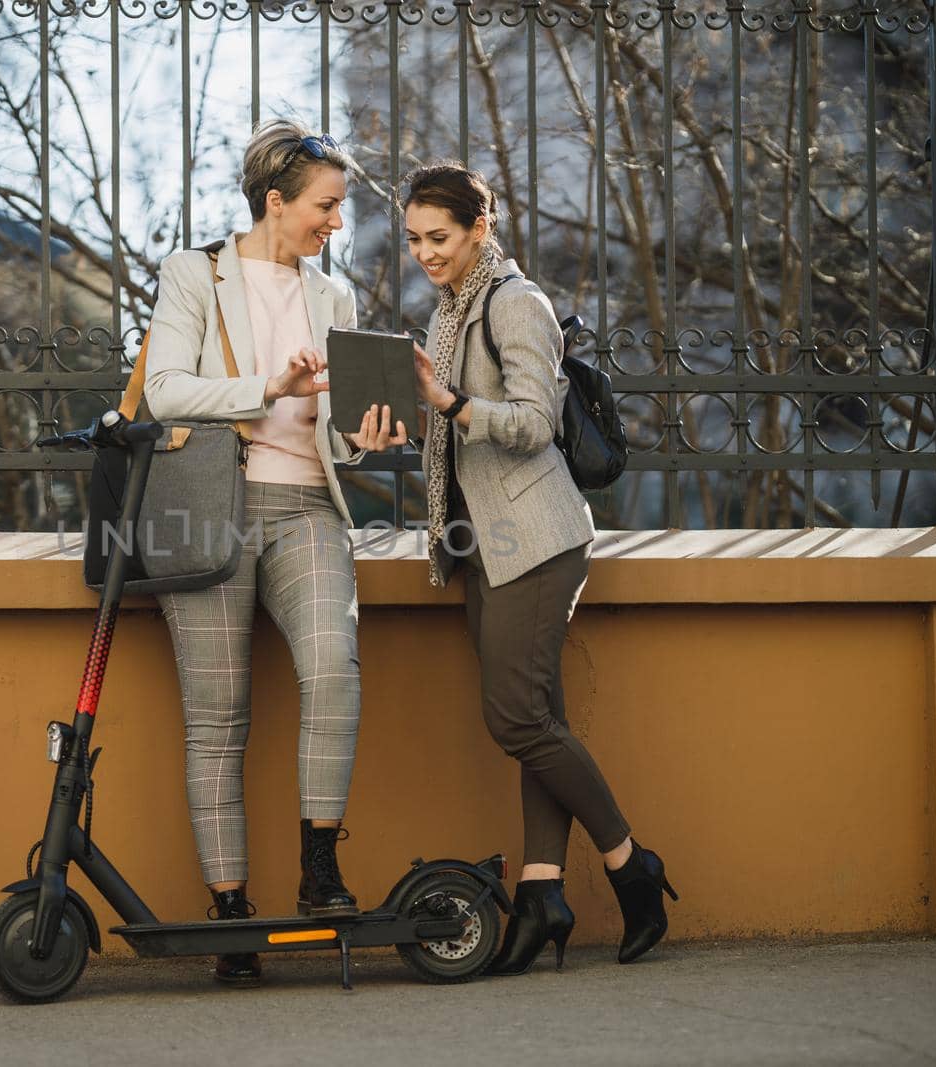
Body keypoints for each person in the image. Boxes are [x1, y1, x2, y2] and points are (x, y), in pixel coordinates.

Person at [142, 119, 407, 986]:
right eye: (327, 206)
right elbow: (164, 390)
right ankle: (230, 914)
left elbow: (346, 437)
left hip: (306, 508)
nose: (338, 223)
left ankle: (319, 865)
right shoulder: (194, 273)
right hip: (211, 503)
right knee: (218, 717)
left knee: (335, 668)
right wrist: (271, 386)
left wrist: (367, 434)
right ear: (276, 201)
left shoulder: (333, 298)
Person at [402, 161, 677, 972]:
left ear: (479, 229)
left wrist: (449, 404)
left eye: (439, 236)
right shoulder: (448, 311)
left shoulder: (516, 303)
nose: (424, 252)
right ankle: (542, 893)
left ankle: (632, 864)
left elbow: (531, 421)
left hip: (537, 537)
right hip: (481, 543)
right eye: (415, 238)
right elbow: (450, 436)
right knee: (538, 718)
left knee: (515, 719)